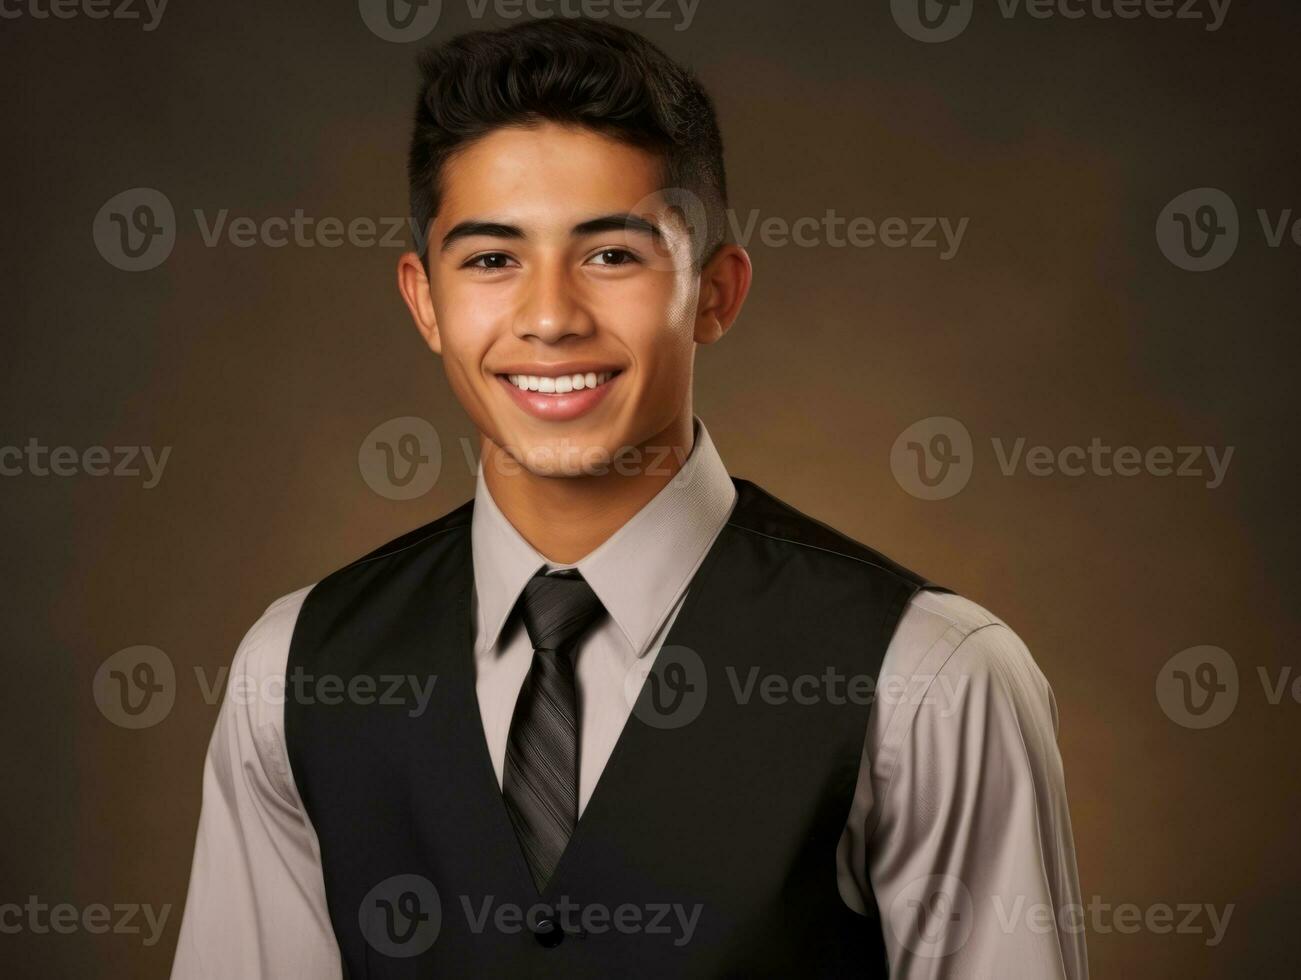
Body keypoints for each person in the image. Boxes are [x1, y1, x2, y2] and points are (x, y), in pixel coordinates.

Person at [172, 18, 1086, 979]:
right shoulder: (293, 670)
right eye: (491, 259)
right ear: (425, 301)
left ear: (715, 293)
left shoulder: (932, 678)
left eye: (612, 255)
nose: (551, 316)